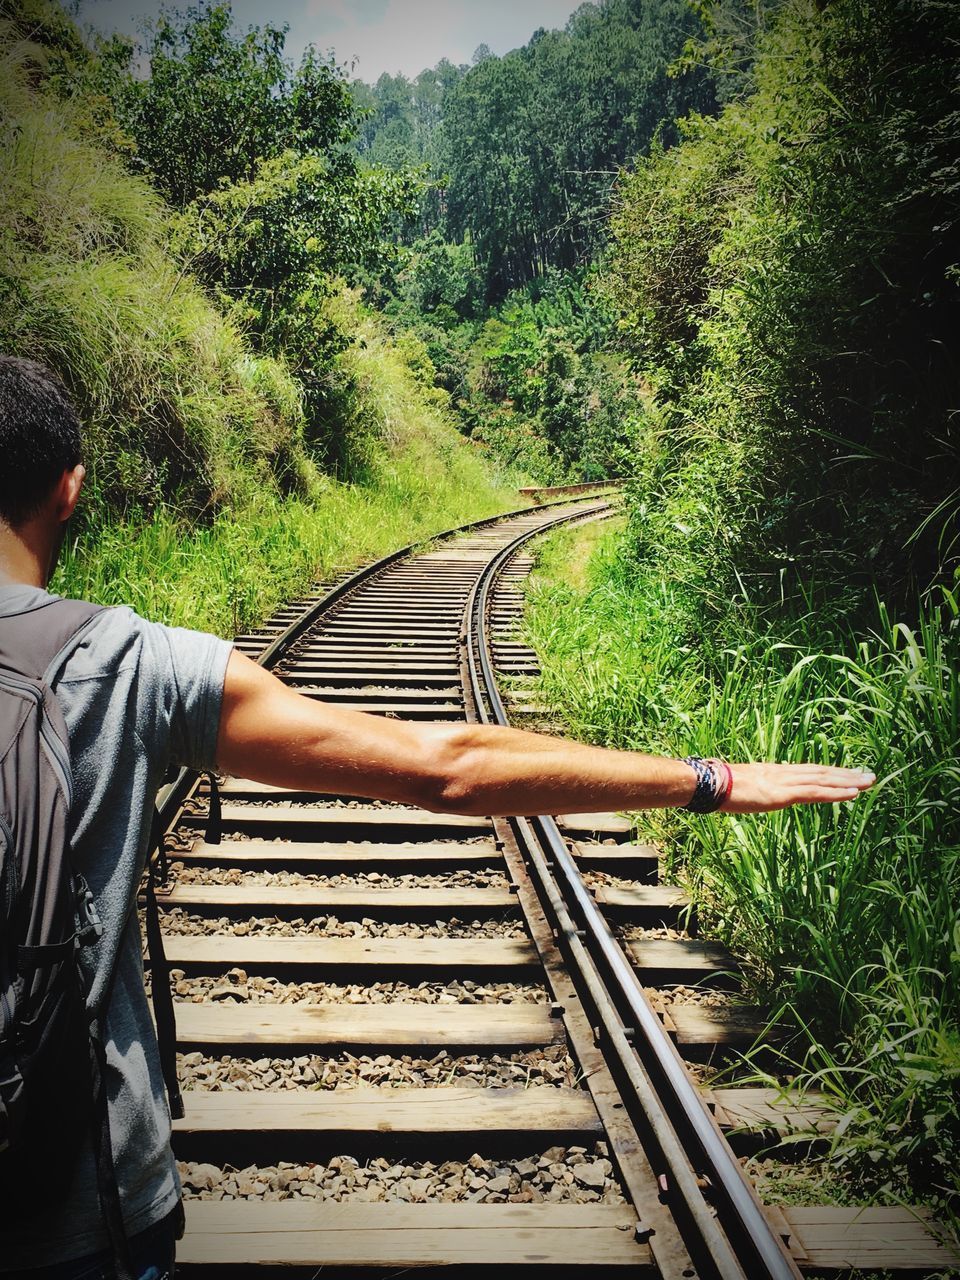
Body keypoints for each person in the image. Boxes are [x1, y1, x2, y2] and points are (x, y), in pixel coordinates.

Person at [0, 355, 875, 1278]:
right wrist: (710, 779)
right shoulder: (129, 662)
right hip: (85, 1200)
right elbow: (445, 767)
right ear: (70, 489)